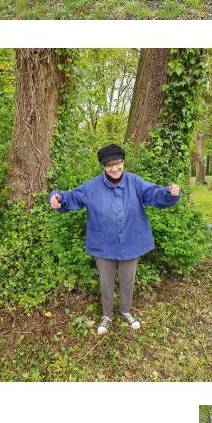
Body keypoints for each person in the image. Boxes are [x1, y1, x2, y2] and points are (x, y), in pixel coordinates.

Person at [47, 144, 181, 335]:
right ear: (103, 166)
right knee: (106, 282)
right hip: (103, 245)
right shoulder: (92, 187)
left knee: (128, 280)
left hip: (131, 242)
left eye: (117, 163)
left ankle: (126, 311)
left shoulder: (135, 182)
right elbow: (71, 197)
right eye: (109, 165)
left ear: (122, 162)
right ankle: (107, 314)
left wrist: (169, 193)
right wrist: (56, 197)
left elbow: (154, 194)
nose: (114, 168)